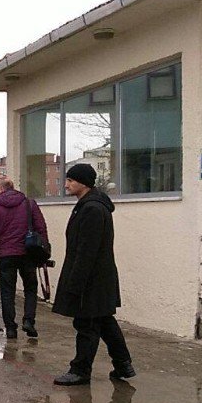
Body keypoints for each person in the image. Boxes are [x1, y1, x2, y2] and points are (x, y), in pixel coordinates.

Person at [52, 163, 135, 386]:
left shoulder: (92, 209)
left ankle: (80, 370)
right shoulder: (88, 205)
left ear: (83, 182)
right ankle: (123, 364)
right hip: (97, 277)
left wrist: (76, 283)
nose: (66, 184)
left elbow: (87, 250)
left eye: (70, 180)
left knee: (87, 324)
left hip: (91, 279)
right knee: (104, 321)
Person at [0, 178, 47, 339]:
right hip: (28, 253)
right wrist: (44, 251)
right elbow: (41, 227)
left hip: (6, 255)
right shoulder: (29, 204)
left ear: (1, 190)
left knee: (7, 292)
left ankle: (11, 328)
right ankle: (29, 320)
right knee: (30, 288)